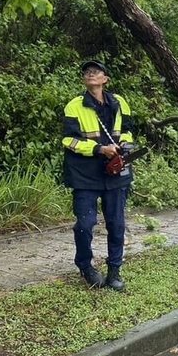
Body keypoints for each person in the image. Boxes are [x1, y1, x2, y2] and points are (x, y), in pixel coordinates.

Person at [62, 60, 134, 291]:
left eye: (96, 71)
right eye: (87, 72)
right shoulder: (74, 106)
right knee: (85, 223)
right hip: (85, 175)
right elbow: (68, 140)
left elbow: (129, 131)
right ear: (84, 79)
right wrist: (98, 149)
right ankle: (85, 266)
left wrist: (124, 144)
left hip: (115, 172)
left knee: (116, 224)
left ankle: (114, 270)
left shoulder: (120, 102)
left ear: (105, 79)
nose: (91, 74)